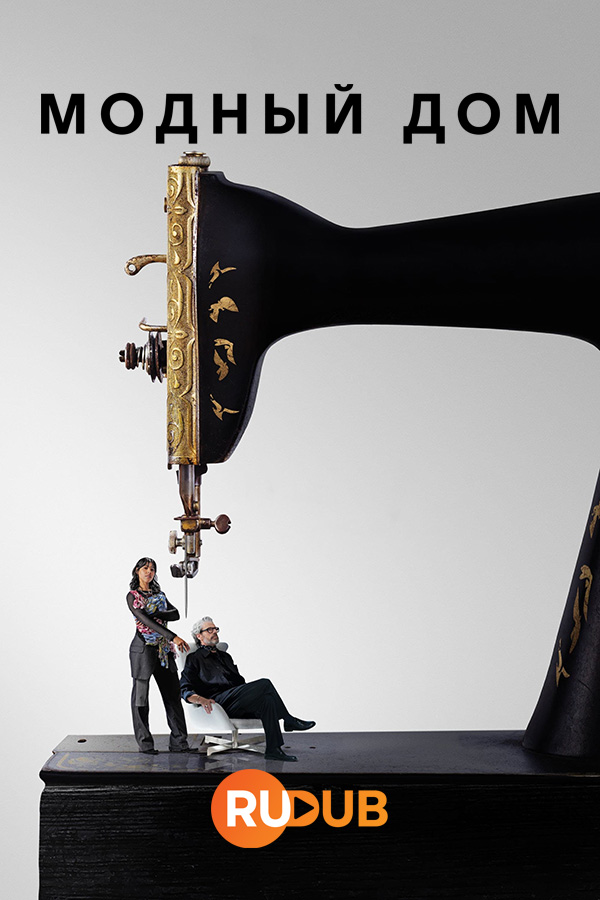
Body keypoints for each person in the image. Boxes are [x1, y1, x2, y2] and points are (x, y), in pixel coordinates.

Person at [179, 616, 315, 761]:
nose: (215, 632)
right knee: (265, 683)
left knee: (267, 700)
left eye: (215, 629)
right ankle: (288, 719)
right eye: (209, 630)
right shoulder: (194, 658)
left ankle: (273, 750)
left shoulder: (225, 657)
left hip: (235, 699)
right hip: (217, 703)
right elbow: (184, 688)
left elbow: (239, 683)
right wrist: (200, 700)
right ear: (199, 636)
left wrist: (249, 693)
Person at [127, 557, 197, 754]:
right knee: (141, 698)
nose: (149, 572)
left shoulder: (159, 595)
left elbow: (175, 614)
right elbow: (145, 621)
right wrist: (173, 636)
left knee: (173, 695)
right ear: (137, 570)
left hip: (164, 650)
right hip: (143, 650)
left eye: (152, 569)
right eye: (145, 568)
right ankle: (145, 744)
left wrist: (156, 612)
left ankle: (179, 742)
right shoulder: (132, 596)